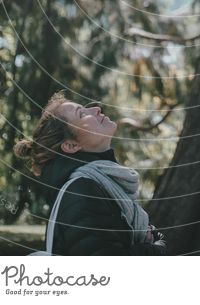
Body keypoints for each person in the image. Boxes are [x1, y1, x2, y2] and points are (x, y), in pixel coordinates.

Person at [14, 91, 167, 255]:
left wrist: (155, 240)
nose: (96, 109)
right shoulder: (82, 191)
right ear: (71, 145)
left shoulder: (102, 183)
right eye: (82, 114)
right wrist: (157, 248)